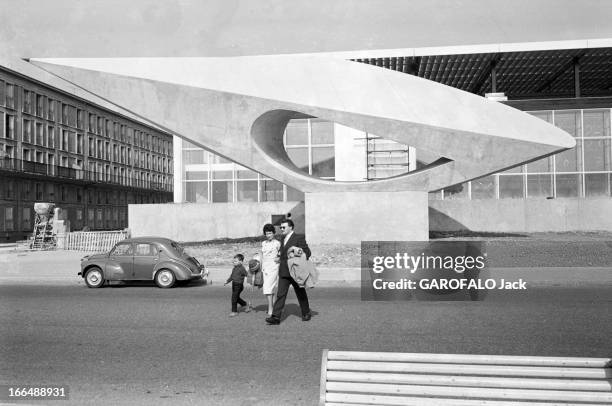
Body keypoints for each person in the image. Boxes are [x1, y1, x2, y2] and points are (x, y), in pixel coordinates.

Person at [265, 219, 312, 325]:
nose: (281, 229)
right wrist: (279, 257)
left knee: (300, 293)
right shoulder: (282, 238)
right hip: (284, 271)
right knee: (280, 294)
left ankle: (306, 313)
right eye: (280, 227)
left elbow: (307, 253)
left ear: (291, 227)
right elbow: (283, 252)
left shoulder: (298, 237)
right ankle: (276, 317)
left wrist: (296, 253)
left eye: (283, 227)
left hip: (295, 271)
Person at [261, 223, 281, 316]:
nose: (268, 235)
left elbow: (281, 254)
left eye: (270, 233)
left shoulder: (277, 243)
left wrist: (279, 258)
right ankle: (274, 306)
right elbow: (262, 255)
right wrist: (260, 267)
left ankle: (270, 308)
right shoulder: (263, 243)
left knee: (268, 288)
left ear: (273, 233)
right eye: (267, 233)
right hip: (265, 267)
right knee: (270, 288)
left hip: (274, 267)